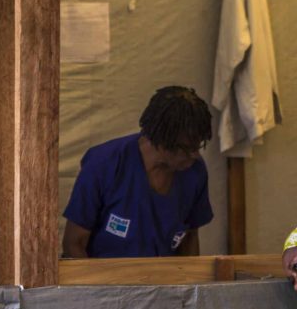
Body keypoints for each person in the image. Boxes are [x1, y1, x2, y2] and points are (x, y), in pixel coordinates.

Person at [62, 85, 214, 258]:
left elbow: (190, 237)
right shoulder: (104, 164)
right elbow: (73, 244)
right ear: (160, 140)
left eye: (197, 147)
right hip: (104, 273)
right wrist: (97, 277)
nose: (194, 156)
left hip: (164, 273)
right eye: (186, 149)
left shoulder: (195, 172)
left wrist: (189, 274)